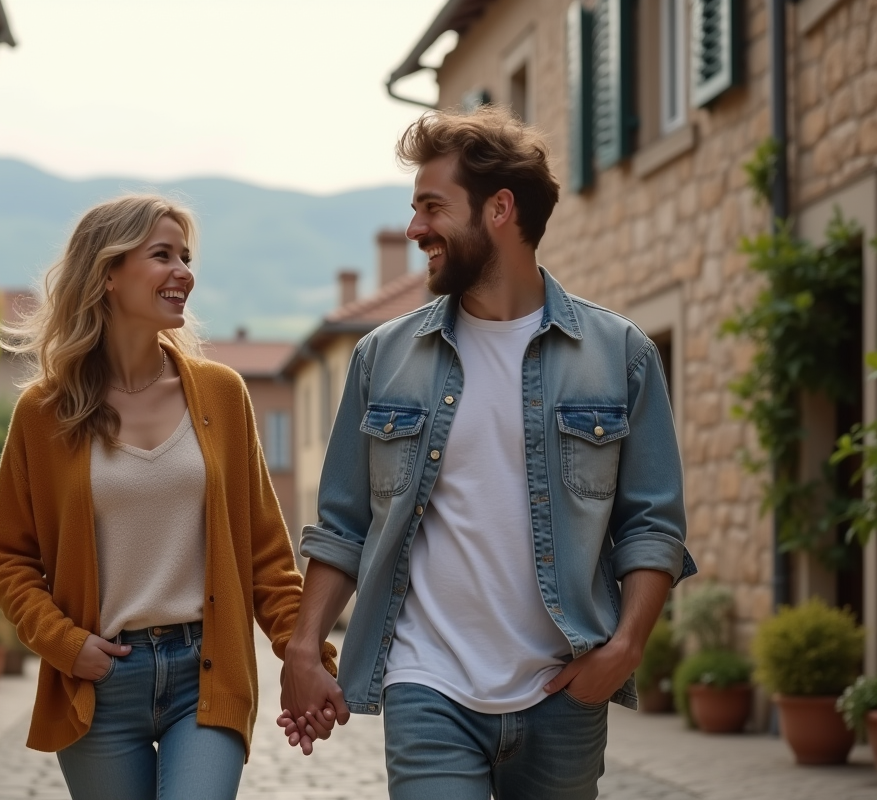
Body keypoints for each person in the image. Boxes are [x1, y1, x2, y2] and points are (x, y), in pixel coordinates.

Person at [278, 106, 696, 799]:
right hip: (426, 679)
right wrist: (302, 647)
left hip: (566, 686)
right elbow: (346, 521)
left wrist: (624, 650)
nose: (417, 230)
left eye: (432, 207)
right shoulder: (383, 358)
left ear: (500, 209)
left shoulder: (620, 355)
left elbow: (652, 523)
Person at [0, 194, 334, 800]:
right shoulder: (45, 412)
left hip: (206, 673)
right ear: (109, 274)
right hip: (98, 683)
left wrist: (306, 656)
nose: (184, 273)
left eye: (187, 257)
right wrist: (66, 644)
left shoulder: (222, 396)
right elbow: (6, 554)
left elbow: (266, 557)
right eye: (162, 255)